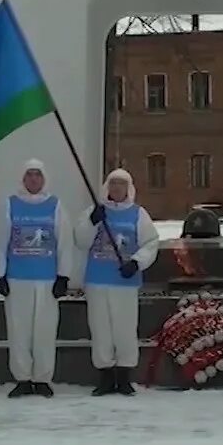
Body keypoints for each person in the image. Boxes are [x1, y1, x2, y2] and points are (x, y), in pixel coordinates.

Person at [73, 169, 161, 396]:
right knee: (101, 328)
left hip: (125, 282)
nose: (116, 189)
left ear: (128, 188)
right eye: (113, 184)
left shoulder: (138, 214)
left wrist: (136, 263)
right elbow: (80, 241)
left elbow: (150, 243)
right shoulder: (95, 211)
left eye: (121, 184)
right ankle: (105, 376)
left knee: (125, 329)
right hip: (98, 280)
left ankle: (124, 376)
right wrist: (92, 223)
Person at [0, 159, 72, 398]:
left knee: (45, 331)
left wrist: (63, 276)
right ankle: (23, 378)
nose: (34, 179)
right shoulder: (10, 205)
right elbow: (0, 242)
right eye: (29, 175)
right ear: (23, 179)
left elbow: (64, 243)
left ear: (44, 179)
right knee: (19, 331)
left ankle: (42, 378)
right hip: (17, 279)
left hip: (47, 280)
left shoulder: (55, 206)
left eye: (38, 175)